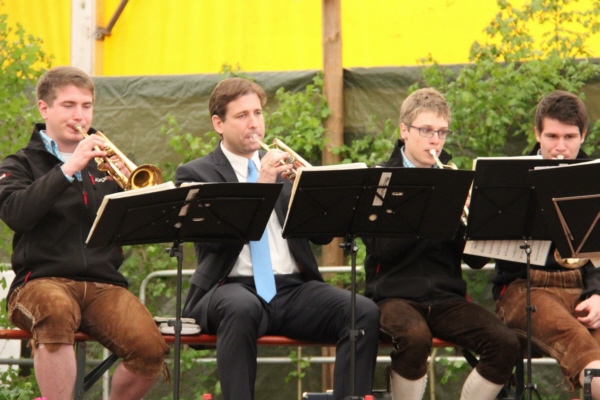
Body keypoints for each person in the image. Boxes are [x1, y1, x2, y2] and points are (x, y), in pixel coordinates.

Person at [175, 77, 380, 400]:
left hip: (291, 290)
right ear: (218, 123)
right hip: (230, 287)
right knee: (241, 307)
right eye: (242, 115)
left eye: (258, 113)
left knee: (362, 311)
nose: (254, 123)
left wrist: (319, 198)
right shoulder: (197, 174)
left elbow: (321, 237)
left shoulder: (283, 168)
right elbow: (215, 241)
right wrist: (262, 187)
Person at [0, 66, 170, 400]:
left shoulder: (107, 163)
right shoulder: (18, 164)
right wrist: (68, 169)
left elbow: (138, 229)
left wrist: (146, 200)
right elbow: (16, 214)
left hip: (104, 285)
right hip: (40, 281)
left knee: (150, 348)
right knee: (54, 311)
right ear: (44, 108)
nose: (80, 115)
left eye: (86, 105)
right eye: (69, 105)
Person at [362, 88, 520, 400]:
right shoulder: (381, 178)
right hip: (393, 296)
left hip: (446, 297)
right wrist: (428, 210)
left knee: (505, 343)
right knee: (415, 337)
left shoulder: (455, 180)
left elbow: (476, 261)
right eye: (426, 130)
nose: (435, 140)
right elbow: (381, 250)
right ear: (404, 131)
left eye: (442, 132)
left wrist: (476, 222)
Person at [494, 90, 600, 397]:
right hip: (523, 287)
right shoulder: (511, 177)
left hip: (581, 286)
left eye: (570, 137)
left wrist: (597, 294)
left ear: (583, 135)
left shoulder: (594, 175)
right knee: (577, 339)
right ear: (537, 134)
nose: (560, 147)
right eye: (552, 136)